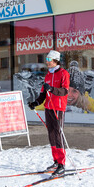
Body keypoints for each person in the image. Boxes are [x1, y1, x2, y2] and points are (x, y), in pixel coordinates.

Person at [28, 50, 70, 178]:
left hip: (58, 108)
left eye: (49, 60)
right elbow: (42, 94)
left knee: (58, 134)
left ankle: (62, 165)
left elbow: (64, 91)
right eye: (47, 60)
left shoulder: (64, 73)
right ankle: (56, 161)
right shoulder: (47, 75)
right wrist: (35, 103)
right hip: (48, 107)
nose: (47, 62)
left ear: (55, 60)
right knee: (51, 133)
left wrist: (52, 89)